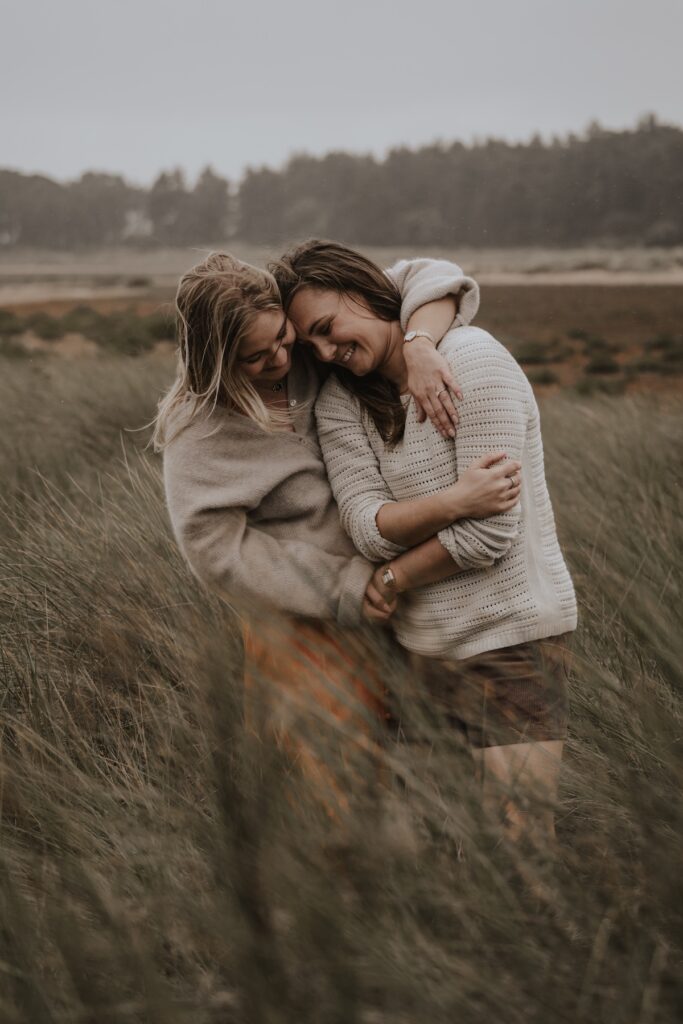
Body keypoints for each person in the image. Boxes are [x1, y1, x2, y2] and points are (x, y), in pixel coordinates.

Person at [156, 251, 521, 814]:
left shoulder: (312, 344)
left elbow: (433, 278)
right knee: (340, 798)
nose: (283, 358)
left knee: (426, 782)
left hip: (402, 604)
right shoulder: (199, 434)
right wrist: (346, 588)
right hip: (306, 631)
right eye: (256, 357)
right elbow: (217, 553)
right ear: (218, 360)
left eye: (283, 338)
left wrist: (419, 347)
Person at [272, 240, 578, 843]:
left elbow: (490, 532)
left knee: (521, 844)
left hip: (510, 642)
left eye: (329, 329)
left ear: (361, 289)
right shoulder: (341, 403)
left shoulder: (474, 359)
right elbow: (364, 525)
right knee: (440, 852)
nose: (330, 352)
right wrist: (453, 503)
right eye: (314, 347)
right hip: (418, 651)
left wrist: (393, 578)